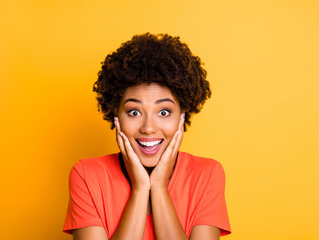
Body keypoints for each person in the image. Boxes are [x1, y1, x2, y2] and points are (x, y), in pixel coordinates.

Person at [63, 33, 231, 240]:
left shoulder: (207, 174)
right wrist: (140, 188)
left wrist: (159, 187)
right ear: (116, 114)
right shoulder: (87, 176)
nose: (148, 128)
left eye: (164, 112)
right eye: (134, 112)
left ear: (182, 115)